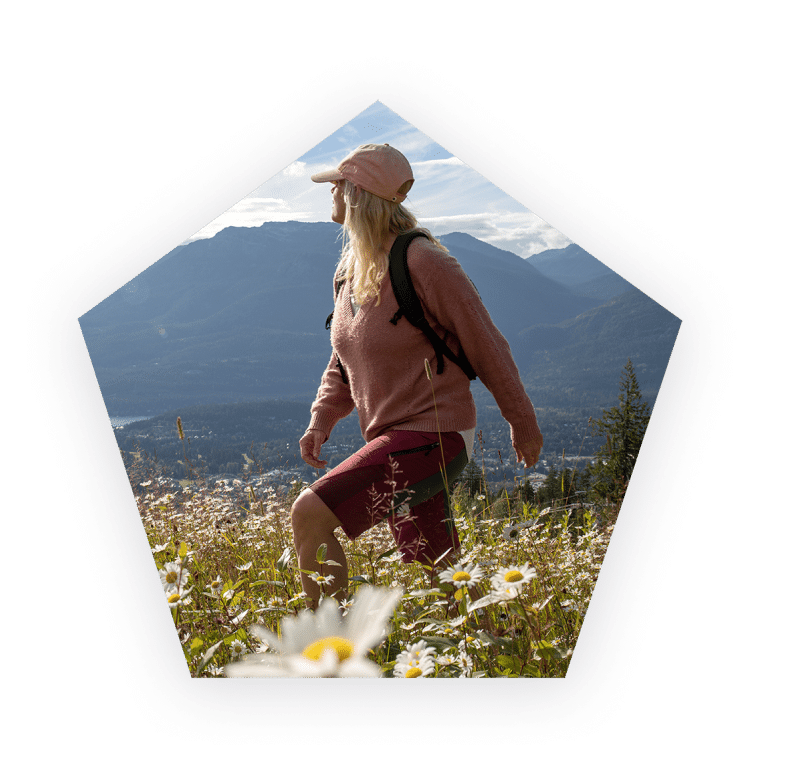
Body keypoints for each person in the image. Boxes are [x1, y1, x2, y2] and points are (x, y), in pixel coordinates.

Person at [291, 143, 543, 609]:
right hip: (397, 438)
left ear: (358, 192)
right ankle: (483, 656)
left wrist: (522, 421)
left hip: (435, 436)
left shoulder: (425, 262)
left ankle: (327, 655)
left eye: (338, 184)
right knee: (438, 573)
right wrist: (320, 419)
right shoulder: (351, 269)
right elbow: (343, 359)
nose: (331, 191)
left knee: (310, 514)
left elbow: (487, 344)